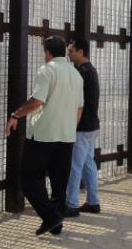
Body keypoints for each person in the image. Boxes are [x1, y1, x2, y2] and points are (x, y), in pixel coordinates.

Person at [5, 36, 83, 235]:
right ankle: (56, 223)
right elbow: (80, 108)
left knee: (29, 177)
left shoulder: (47, 70)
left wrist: (16, 115)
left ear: (47, 53)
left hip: (43, 134)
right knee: (59, 182)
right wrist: (69, 126)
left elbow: (36, 101)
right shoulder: (76, 74)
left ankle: (51, 217)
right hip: (66, 135)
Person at [63, 38, 101, 217]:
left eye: (71, 51)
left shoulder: (81, 72)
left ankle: (71, 204)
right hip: (91, 125)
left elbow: (75, 101)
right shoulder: (89, 70)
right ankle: (93, 202)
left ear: (80, 51)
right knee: (87, 163)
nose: (68, 54)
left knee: (74, 165)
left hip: (82, 126)